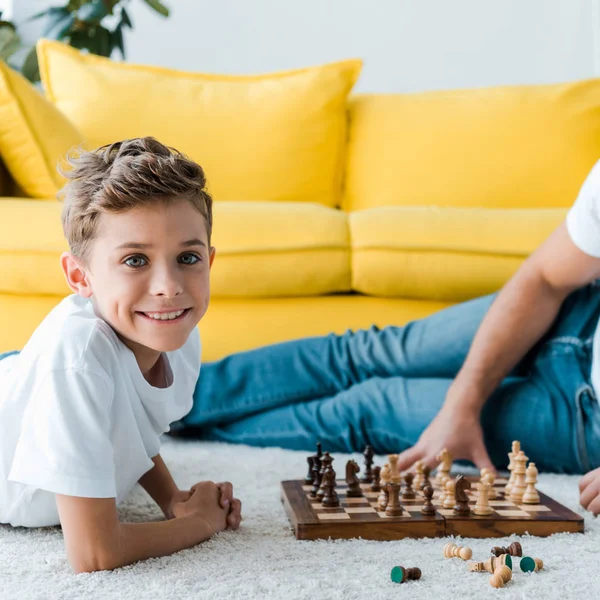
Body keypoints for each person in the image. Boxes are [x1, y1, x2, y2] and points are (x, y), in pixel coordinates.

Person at [168, 160, 600, 518]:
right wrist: (461, 403)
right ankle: (158, 397)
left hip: (586, 418)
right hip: (580, 310)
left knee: (367, 407)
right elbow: (544, 276)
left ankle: (171, 421)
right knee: (364, 352)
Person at [0, 137, 242, 573]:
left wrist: (173, 499)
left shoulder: (178, 330)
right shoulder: (76, 360)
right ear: (80, 276)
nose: (169, 286)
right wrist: (201, 522)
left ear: (210, 259)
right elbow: (95, 553)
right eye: (135, 260)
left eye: (187, 257)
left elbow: (131, 425)